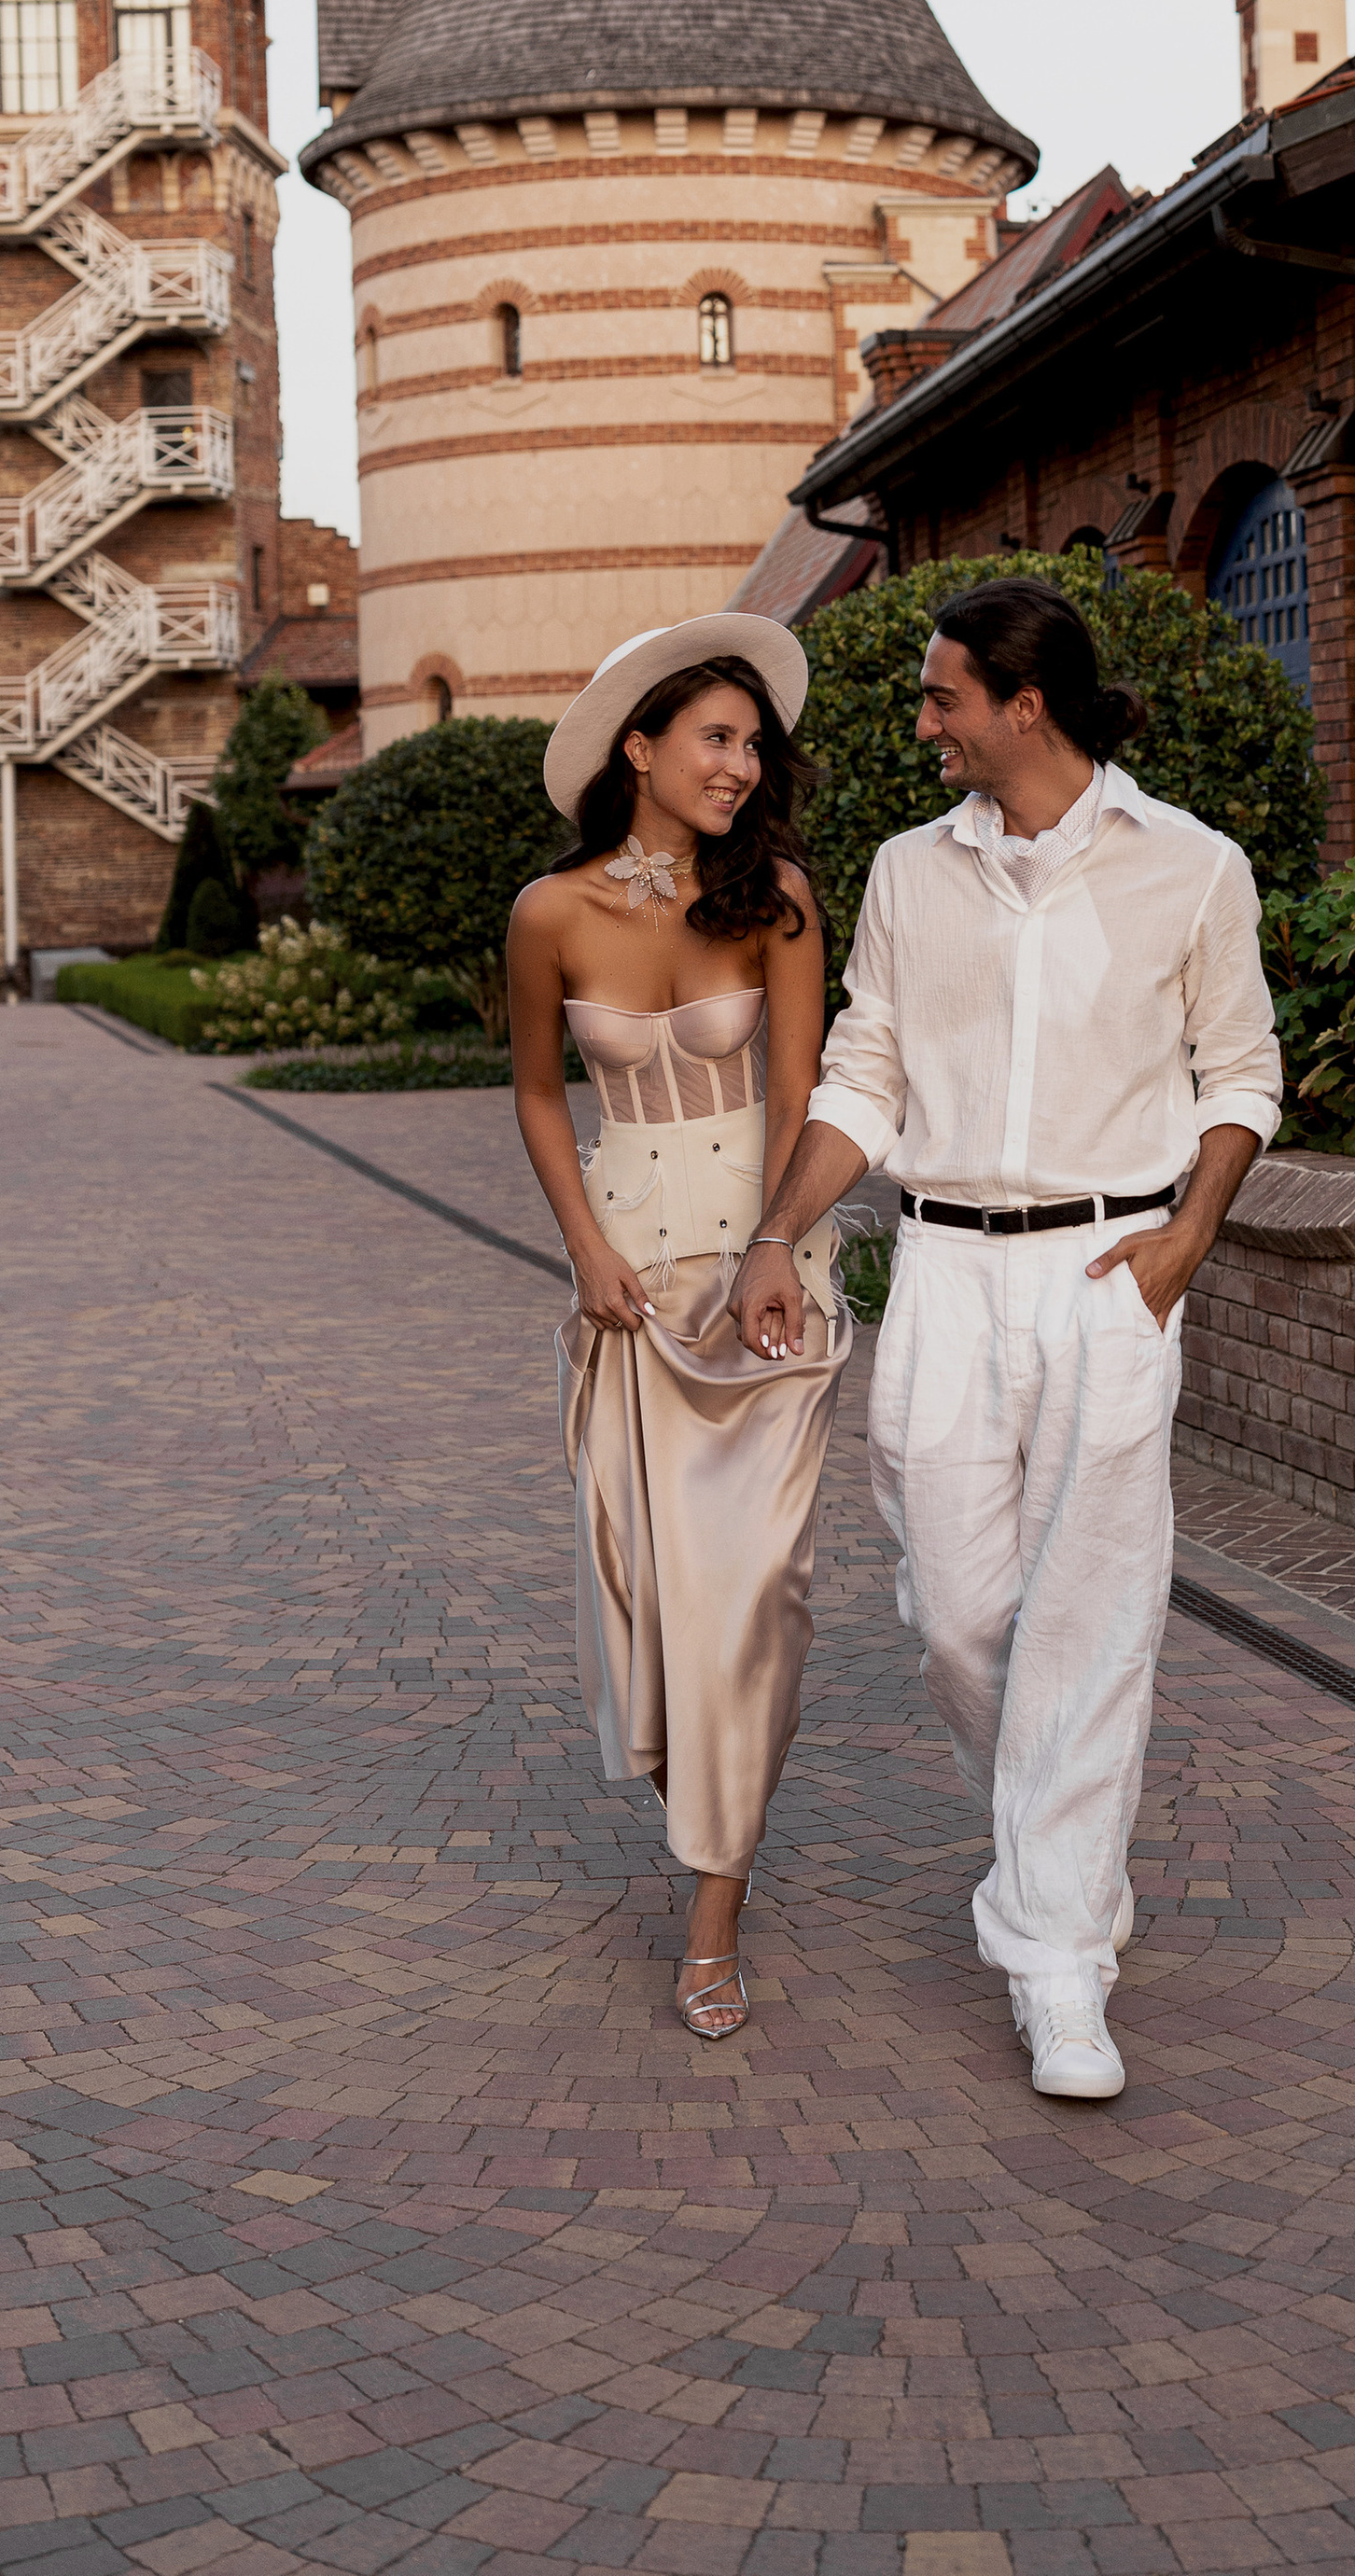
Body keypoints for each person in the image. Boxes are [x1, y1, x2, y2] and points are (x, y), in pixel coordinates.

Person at [733, 578, 1281, 2098]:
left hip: (1112, 1270)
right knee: (964, 1614)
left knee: (1091, 1621)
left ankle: (1059, 1972)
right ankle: (1068, 1874)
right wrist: (781, 1234)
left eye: (941, 699)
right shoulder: (914, 874)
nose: (923, 724)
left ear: (1022, 705)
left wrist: (1187, 1240)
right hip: (947, 1277)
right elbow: (862, 1079)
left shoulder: (1194, 867)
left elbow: (1242, 1071)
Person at [510, 619, 851, 2040]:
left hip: (763, 1288)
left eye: (753, 740)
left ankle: (714, 1912)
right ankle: (705, 1804)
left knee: (750, 1599)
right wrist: (582, 1248)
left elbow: (801, 1091)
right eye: (716, 735)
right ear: (638, 749)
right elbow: (537, 1092)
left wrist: (778, 1243)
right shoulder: (551, 913)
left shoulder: (773, 895)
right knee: (648, 1602)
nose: (742, 761)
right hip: (627, 1294)